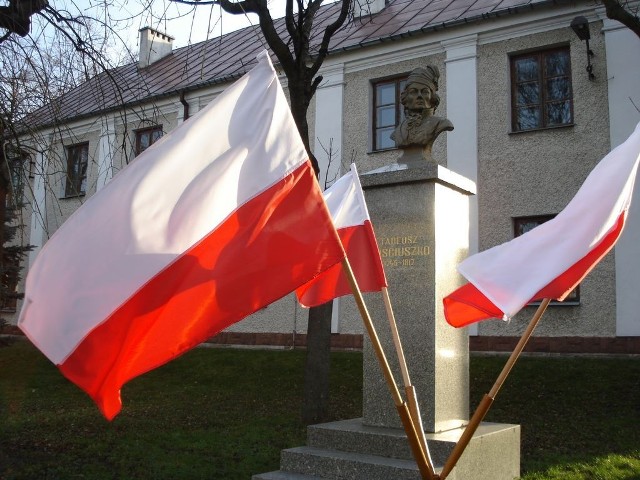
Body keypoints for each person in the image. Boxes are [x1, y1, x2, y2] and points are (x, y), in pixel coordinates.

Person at [391, 65, 453, 162]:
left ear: (432, 97)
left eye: (424, 92)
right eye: (413, 92)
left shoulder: (440, 123)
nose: (419, 96)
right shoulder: (398, 130)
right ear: (406, 98)